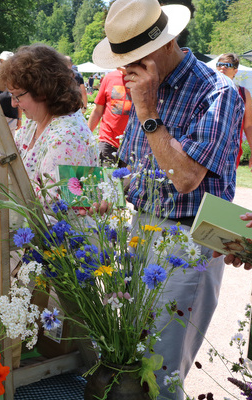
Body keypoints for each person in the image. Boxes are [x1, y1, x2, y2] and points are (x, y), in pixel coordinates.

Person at [92, 0, 245, 398]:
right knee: (135, 360)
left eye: (133, 58)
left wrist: (147, 109)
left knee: (162, 372)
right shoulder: (146, 81)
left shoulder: (217, 91)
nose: (125, 69)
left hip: (189, 241)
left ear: (165, 42)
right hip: (142, 231)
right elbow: (132, 162)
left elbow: (186, 178)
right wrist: (109, 192)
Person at [0, 44, 97, 184]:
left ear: (41, 91)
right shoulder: (34, 121)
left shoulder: (66, 139)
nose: (13, 104)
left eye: (17, 96)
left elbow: (60, 204)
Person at [88, 69, 132, 167]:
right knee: (107, 179)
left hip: (132, 144)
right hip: (108, 140)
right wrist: (86, 136)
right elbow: (97, 111)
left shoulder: (142, 78)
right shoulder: (109, 78)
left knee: (127, 181)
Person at [216, 53, 252, 169]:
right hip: (208, 148)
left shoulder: (244, 93)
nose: (222, 68)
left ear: (235, 71)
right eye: (219, 64)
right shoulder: (207, 89)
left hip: (232, 152)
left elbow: (248, 126)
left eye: (227, 65)